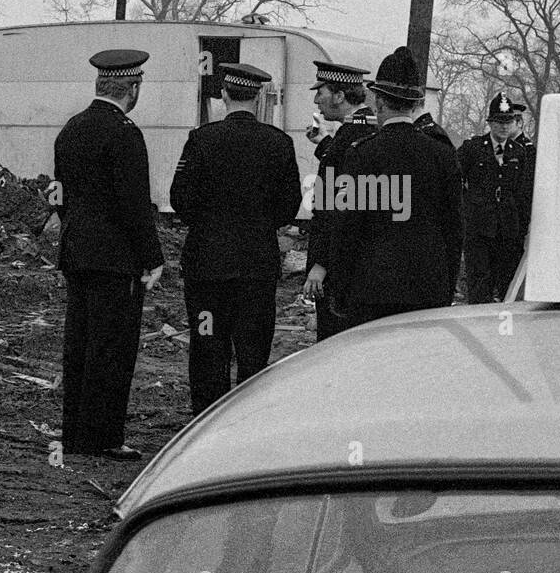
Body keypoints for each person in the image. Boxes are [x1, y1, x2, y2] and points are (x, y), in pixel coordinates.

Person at [170, 63, 302, 417]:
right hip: (256, 266)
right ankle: (247, 421)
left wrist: (207, 226)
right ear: (258, 98)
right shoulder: (279, 143)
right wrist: (259, 225)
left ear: (224, 95)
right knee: (252, 349)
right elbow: (289, 206)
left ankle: (205, 421)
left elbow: (180, 197)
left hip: (207, 267)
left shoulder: (201, 139)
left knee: (207, 344)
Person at [54, 49, 165, 459]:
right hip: (115, 258)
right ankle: (104, 437)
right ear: (133, 88)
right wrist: (152, 256)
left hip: (77, 249)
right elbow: (133, 204)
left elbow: (61, 194)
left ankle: (75, 433)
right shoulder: (125, 133)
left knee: (79, 345)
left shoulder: (71, 128)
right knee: (112, 348)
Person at [328, 46, 461, 326]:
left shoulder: (361, 154)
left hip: (372, 290)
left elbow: (347, 229)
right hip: (428, 290)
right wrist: (445, 290)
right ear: (414, 104)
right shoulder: (443, 154)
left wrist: (339, 290)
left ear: (378, 101)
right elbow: (453, 229)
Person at [301, 61, 374, 340]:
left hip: (341, 267)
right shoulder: (361, 127)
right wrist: (323, 144)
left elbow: (339, 208)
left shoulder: (353, 135)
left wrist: (321, 263)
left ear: (340, 96)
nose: (316, 99)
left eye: (322, 92)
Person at [458, 92, 532, 303]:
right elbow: (455, 179)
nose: (504, 127)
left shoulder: (519, 152)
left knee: (508, 289)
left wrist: (521, 229)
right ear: (490, 123)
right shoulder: (472, 149)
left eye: (508, 122)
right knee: (480, 289)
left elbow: (523, 194)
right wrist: (468, 208)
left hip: (508, 233)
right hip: (479, 231)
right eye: (499, 122)